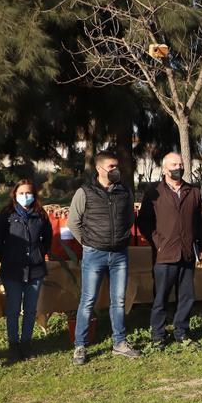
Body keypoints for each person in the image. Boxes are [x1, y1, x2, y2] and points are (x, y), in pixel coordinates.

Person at [68, 151, 140, 364]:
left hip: (119, 254)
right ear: (99, 169)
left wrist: (119, 238)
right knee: (88, 300)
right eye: (111, 166)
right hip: (94, 254)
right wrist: (88, 243)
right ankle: (80, 346)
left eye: (117, 165)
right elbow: (74, 222)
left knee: (118, 300)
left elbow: (128, 219)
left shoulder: (124, 192)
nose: (116, 170)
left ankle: (119, 342)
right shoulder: (85, 192)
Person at [136, 153, 202, 349]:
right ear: (165, 168)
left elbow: (201, 223)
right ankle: (158, 334)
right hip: (164, 254)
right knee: (161, 297)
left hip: (187, 253)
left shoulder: (193, 191)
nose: (179, 167)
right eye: (174, 164)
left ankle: (182, 332)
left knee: (187, 297)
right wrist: (157, 241)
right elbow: (144, 221)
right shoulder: (154, 191)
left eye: (181, 164)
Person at [0, 179, 52, 362]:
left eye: (29, 193)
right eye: (21, 193)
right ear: (15, 195)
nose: (25, 197)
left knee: (31, 309)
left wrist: (39, 253)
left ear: (34, 195)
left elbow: (47, 238)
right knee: (13, 309)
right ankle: (13, 346)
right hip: (12, 270)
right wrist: (8, 257)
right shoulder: (7, 215)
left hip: (35, 270)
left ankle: (26, 343)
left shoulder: (40, 215)